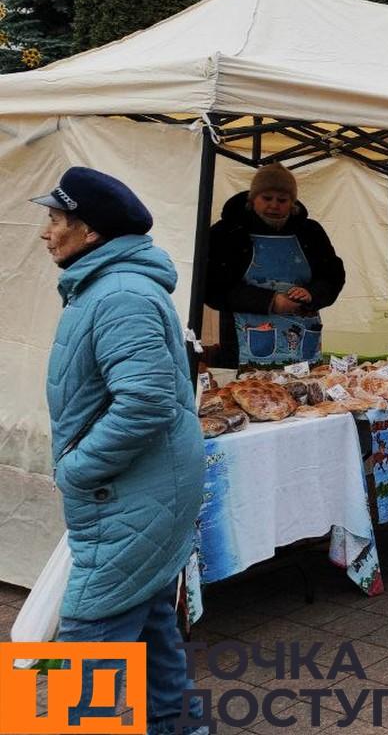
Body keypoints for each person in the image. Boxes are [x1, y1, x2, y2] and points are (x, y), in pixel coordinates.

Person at [34, 167, 206, 735]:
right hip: (140, 493)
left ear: (90, 233)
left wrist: (78, 470)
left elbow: (146, 403)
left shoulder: (119, 295)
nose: (45, 232)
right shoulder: (106, 286)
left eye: (56, 220)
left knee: (84, 638)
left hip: (127, 496)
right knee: (153, 619)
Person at [205, 163, 346, 367]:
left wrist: (312, 294)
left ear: (293, 203)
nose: (274, 205)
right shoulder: (227, 232)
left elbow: (332, 276)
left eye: (282, 200)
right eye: (267, 198)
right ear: (252, 200)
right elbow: (213, 287)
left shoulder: (310, 232)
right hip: (243, 341)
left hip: (302, 337)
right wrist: (269, 301)